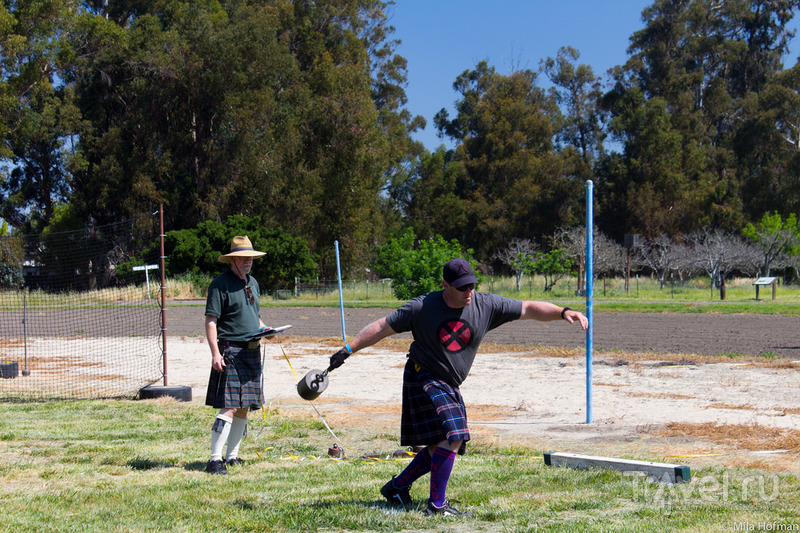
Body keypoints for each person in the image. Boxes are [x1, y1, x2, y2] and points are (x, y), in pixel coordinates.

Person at [327, 258, 588, 516]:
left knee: (438, 444)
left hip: (448, 381)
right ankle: (437, 506)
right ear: (445, 285)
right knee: (453, 435)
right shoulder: (422, 307)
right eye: (462, 287)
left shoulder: (486, 305)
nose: (468, 292)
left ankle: (396, 487)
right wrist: (347, 350)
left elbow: (529, 308)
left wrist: (563, 311)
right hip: (423, 375)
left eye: (472, 285)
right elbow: (382, 327)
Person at [204, 236, 270, 475]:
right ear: (233, 259)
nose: (247, 262)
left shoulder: (253, 283)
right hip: (230, 350)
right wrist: (215, 353)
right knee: (229, 406)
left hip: (252, 350)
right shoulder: (219, 284)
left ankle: (232, 456)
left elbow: (255, 317)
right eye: (243, 258)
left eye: (250, 258)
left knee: (244, 407)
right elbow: (211, 321)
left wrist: (266, 329)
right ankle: (214, 460)